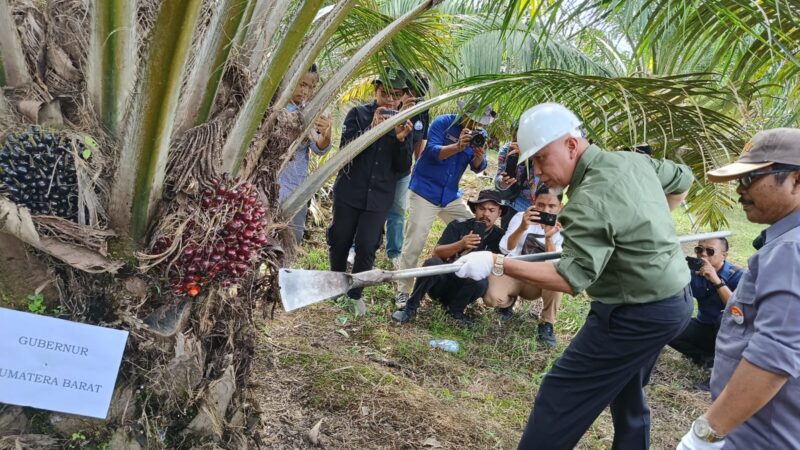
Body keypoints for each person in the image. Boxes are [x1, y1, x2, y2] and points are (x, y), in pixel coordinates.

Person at [454, 102, 694, 449]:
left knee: (560, 396)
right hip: (674, 303)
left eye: (540, 159)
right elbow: (682, 178)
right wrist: (650, 222)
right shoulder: (631, 161)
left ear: (570, 144)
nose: (537, 172)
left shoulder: (590, 198)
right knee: (626, 388)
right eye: (532, 162)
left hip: (634, 314)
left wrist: (497, 262)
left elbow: (570, 277)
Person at [676, 128, 800, 450]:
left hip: (762, 435)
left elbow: (773, 358)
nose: (740, 190)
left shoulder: (790, 250)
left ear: (797, 180)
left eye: (752, 178)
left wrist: (705, 435)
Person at [327, 68, 414, 315]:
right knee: (340, 239)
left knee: (367, 245)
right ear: (375, 90)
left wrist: (400, 141)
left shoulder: (404, 124)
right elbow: (345, 152)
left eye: (395, 94)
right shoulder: (357, 114)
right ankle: (335, 286)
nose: (388, 98)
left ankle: (355, 294)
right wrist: (371, 130)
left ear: (402, 96)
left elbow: (403, 167)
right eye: (384, 92)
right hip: (349, 191)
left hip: (378, 197)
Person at [394, 100, 495, 307]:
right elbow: (431, 152)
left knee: (475, 230)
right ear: (464, 113)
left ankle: (459, 284)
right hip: (425, 191)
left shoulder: (480, 134)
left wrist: (478, 156)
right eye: (475, 120)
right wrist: (458, 146)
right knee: (415, 241)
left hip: (450, 195)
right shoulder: (443, 123)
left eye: (481, 123)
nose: (478, 125)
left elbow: (478, 168)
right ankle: (403, 291)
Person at [391, 190, 504, 328]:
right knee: (432, 263)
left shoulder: (500, 237)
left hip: (465, 289)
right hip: (442, 282)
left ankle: (456, 312)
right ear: (475, 210)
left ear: (499, 213)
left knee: (481, 281)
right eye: (482, 209)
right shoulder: (458, 226)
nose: (486, 214)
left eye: (491, 210)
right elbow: (436, 253)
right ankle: (411, 307)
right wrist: (460, 244)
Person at [484, 185, 564, 346]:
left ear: (560, 207)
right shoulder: (520, 217)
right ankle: (507, 303)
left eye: (551, 206)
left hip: (537, 280)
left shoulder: (562, 228)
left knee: (559, 277)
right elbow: (505, 248)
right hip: (513, 272)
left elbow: (554, 263)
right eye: (541, 205)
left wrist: (549, 238)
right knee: (491, 298)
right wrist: (522, 227)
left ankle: (547, 323)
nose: (545, 210)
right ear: (534, 201)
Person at [668, 237, 743, 391]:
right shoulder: (694, 273)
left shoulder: (739, 276)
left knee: (723, 318)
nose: (703, 255)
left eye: (710, 251)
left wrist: (717, 281)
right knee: (668, 324)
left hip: (729, 334)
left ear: (724, 255)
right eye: (699, 250)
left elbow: (738, 312)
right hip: (704, 327)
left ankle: (719, 375)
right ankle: (705, 357)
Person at [277, 64, 332, 242]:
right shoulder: (274, 108)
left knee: (292, 239)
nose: (306, 91)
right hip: (268, 186)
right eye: (302, 84)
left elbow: (319, 148)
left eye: (311, 87)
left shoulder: (310, 112)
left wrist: (326, 134)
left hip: (295, 191)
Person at [385, 72, 431, 267]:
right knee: (373, 207)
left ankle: (394, 252)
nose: (413, 96)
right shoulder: (388, 108)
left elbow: (420, 140)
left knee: (398, 209)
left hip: (403, 170)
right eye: (409, 91)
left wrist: (416, 166)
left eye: (417, 93)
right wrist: (401, 110)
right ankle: (357, 245)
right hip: (381, 167)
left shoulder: (423, 111)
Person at [495, 123, 539, 230]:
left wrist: (530, 157)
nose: (518, 143)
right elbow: (498, 181)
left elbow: (539, 189)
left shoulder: (541, 152)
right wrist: (503, 182)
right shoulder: (507, 150)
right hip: (510, 204)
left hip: (532, 209)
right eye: (515, 137)